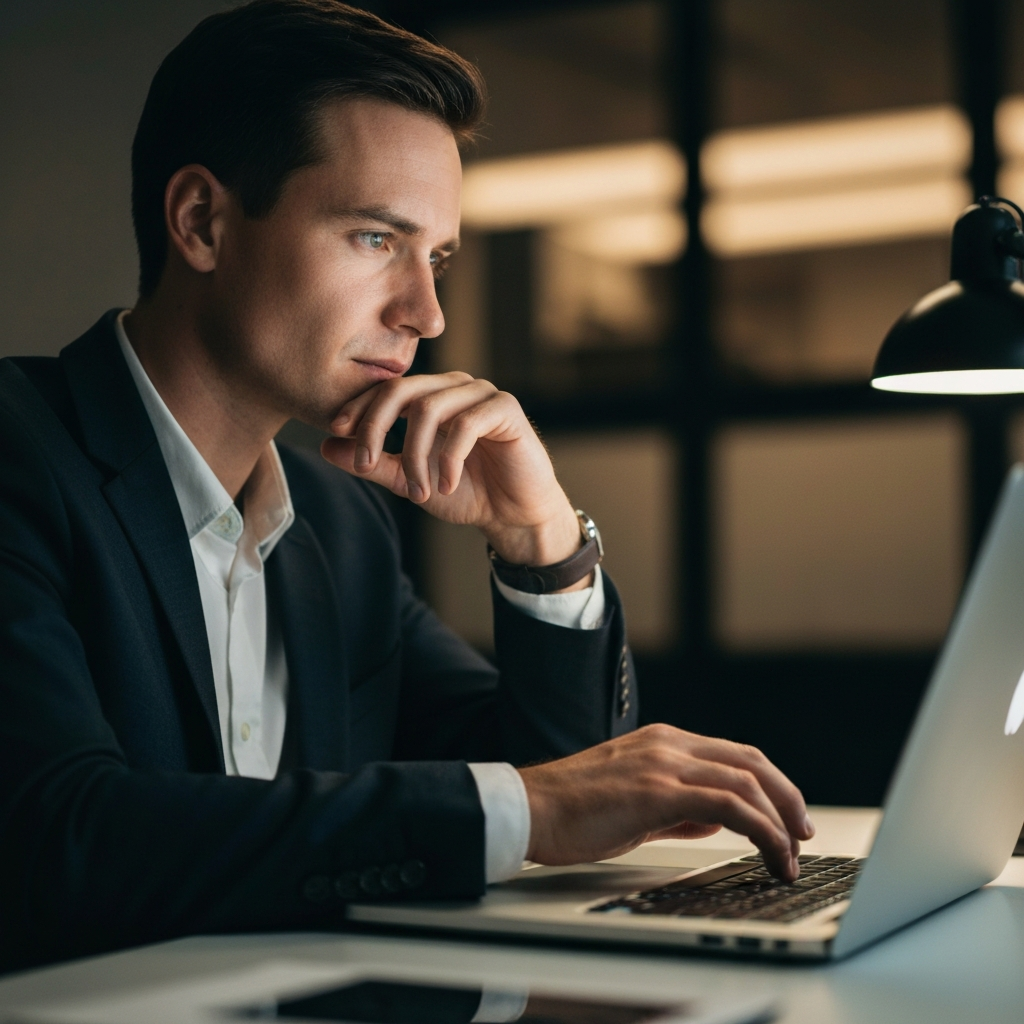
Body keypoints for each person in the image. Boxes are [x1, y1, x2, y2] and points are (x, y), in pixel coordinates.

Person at [0, 0, 813, 971]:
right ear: (202, 222)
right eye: (375, 239)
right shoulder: (19, 451)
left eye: (436, 257)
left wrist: (540, 538)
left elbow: (563, 776)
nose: (425, 312)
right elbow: (55, 836)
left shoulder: (340, 522)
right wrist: (534, 805)